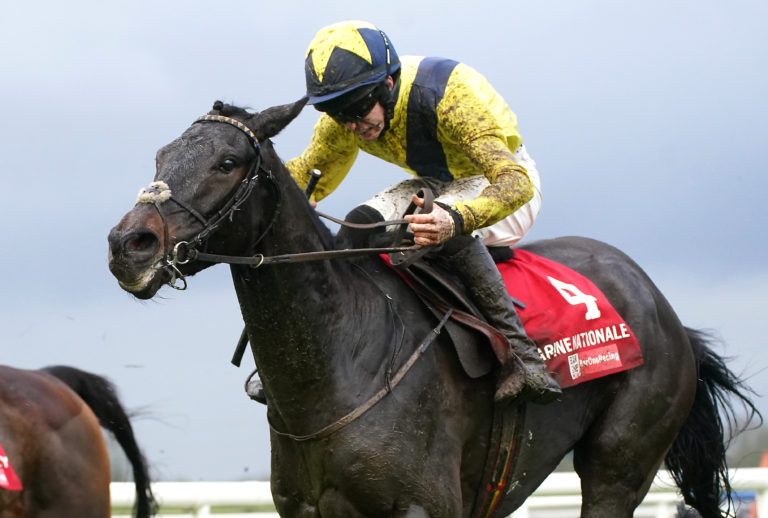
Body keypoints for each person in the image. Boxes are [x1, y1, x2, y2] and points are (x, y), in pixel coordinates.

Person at [258, 20, 560, 406]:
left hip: (504, 182)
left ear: (387, 84)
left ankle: (524, 358)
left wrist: (456, 221)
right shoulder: (345, 120)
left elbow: (514, 183)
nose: (351, 124)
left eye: (356, 109)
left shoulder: (449, 98)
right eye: (336, 113)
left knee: (438, 228)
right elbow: (304, 173)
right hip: (437, 181)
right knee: (358, 225)